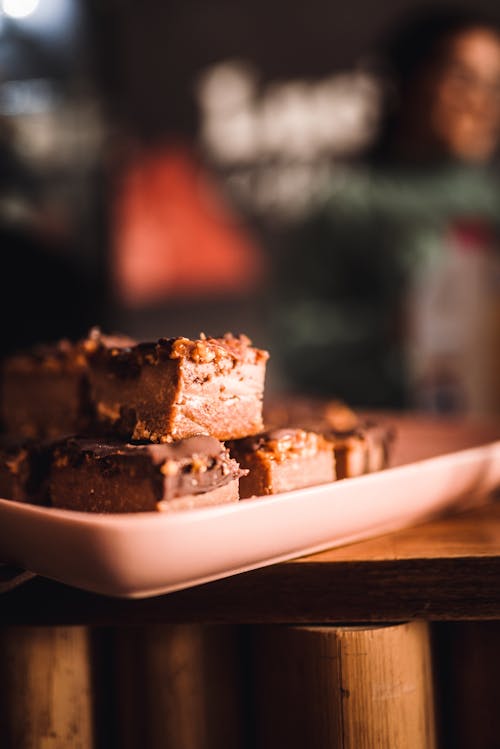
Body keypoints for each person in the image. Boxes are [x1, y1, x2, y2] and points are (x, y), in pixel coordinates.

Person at [275, 7, 500, 413]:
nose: (481, 103)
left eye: (494, 85)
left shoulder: (490, 196)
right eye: (462, 79)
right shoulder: (353, 203)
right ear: (407, 82)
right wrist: (396, 330)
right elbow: (296, 341)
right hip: (411, 434)